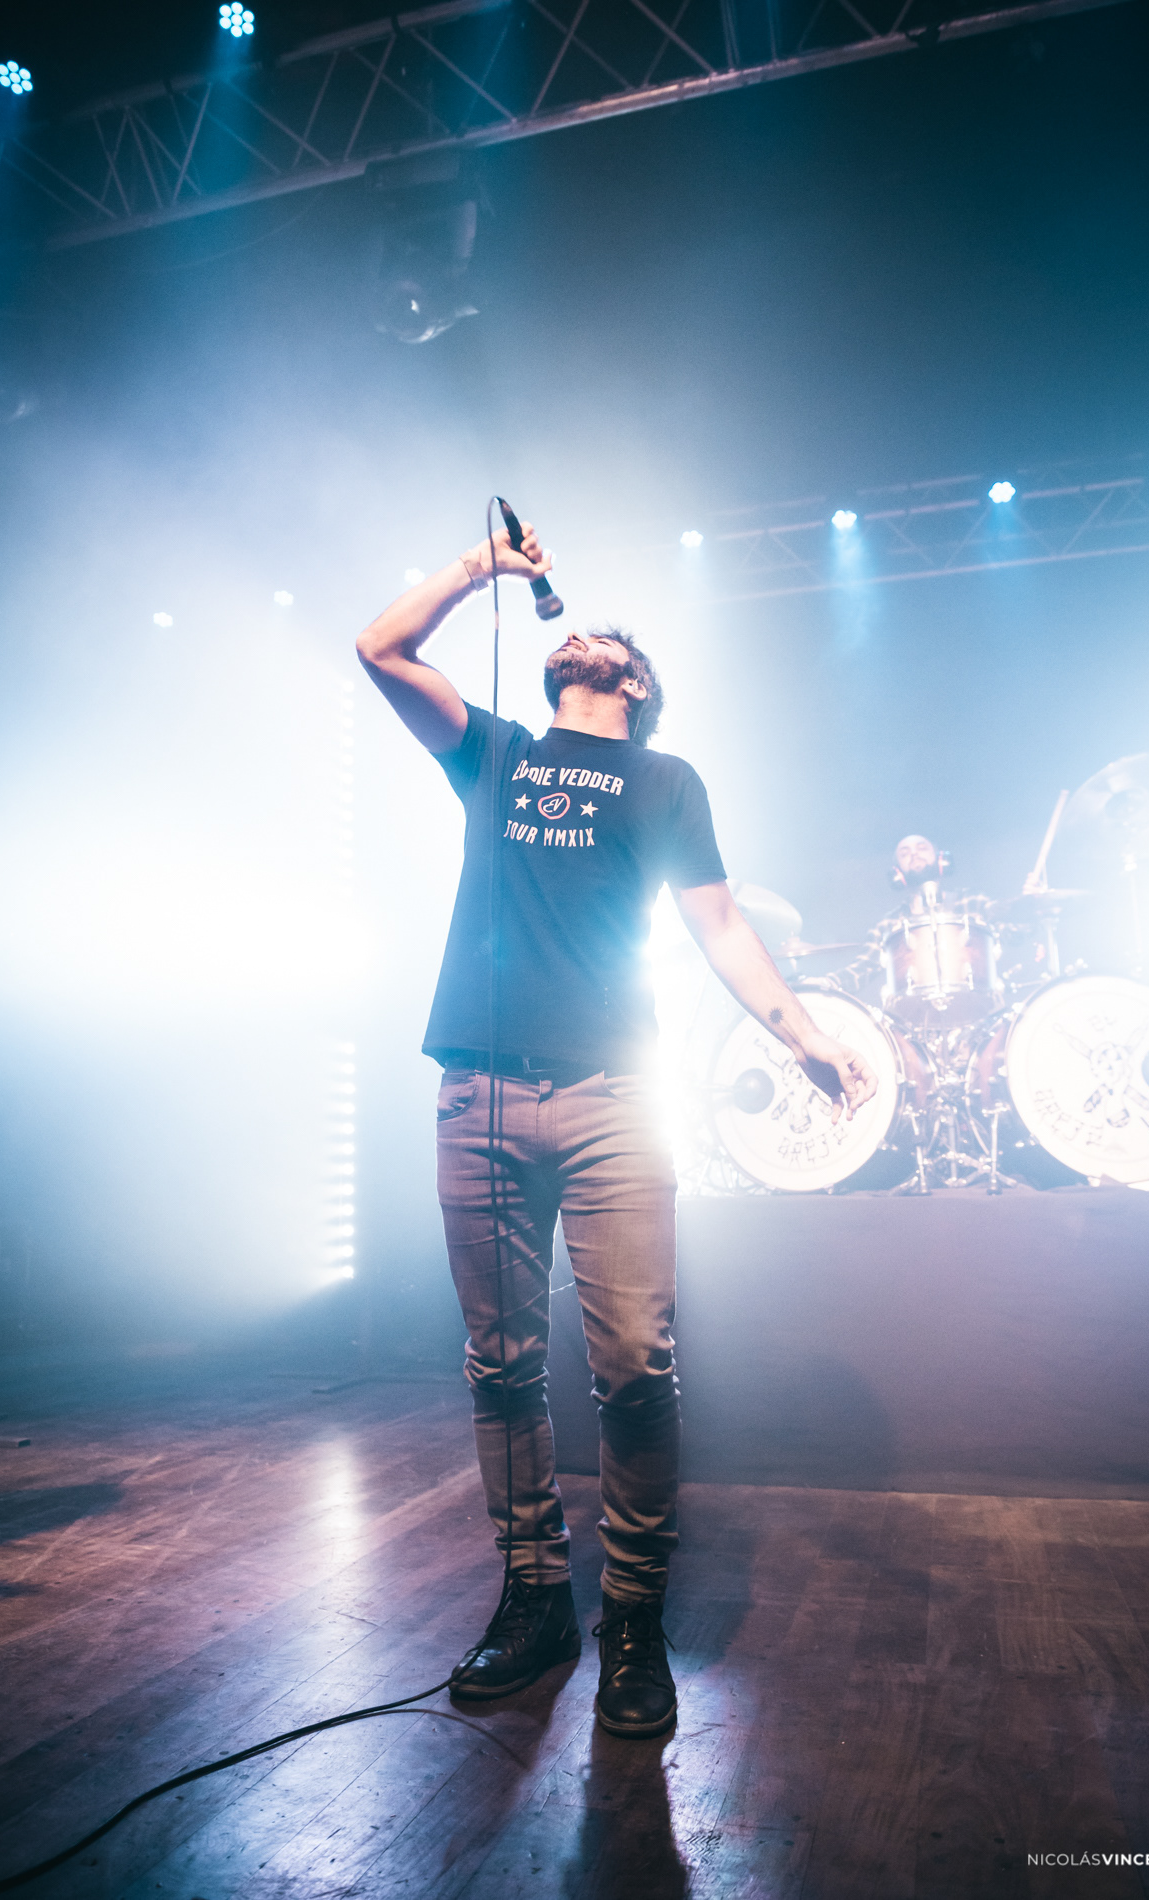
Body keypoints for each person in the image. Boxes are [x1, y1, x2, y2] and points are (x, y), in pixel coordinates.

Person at [356, 519, 877, 1739]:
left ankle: (632, 1616)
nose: (585, 636)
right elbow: (380, 648)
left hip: (613, 1098)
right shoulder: (494, 750)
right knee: (499, 1364)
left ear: (632, 684)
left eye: (612, 642)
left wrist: (802, 1034)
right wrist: (478, 568)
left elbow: (721, 925)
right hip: (478, 1093)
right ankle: (534, 1596)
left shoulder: (665, 780)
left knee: (636, 1360)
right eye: (576, 633)